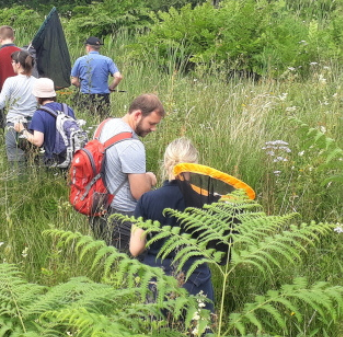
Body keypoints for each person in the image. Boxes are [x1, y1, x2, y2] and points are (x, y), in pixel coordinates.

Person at [129, 137, 215, 310]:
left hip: (156, 278)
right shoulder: (206, 201)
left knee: (157, 332)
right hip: (195, 277)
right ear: (195, 165)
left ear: (166, 163)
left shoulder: (147, 200)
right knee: (198, 332)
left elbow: (135, 248)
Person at [94, 93, 165, 253]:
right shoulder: (132, 145)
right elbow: (140, 193)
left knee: (109, 265)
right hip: (123, 216)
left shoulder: (105, 125)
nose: (153, 129)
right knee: (131, 271)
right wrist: (149, 177)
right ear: (138, 114)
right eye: (151, 123)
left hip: (99, 208)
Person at [0, 50, 37, 174]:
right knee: (33, 158)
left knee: (15, 160)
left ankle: (18, 183)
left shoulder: (11, 82)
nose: (12, 65)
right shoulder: (37, 82)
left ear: (18, 64)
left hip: (13, 125)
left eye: (12, 63)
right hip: (32, 124)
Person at [17, 78, 78, 167]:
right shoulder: (67, 108)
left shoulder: (39, 114)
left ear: (37, 96)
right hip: (73, 158)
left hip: (54, 161)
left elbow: (38, 141)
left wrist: (22, 130)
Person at [70, 36, 122, 118]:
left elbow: (74, 81)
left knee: (86, 120)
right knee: (102, 120)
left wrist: (82, 86)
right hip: (103, 96)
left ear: (88, 47)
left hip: (86, 95)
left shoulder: (80, 60)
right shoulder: (107, 60)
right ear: (99, 48)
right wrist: (111, 88)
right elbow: (118, 77)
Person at [0, 26, 21, 124]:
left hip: (3, 98)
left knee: (7, 127)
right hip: (23, 98)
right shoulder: (24, 53)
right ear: (13, 38)